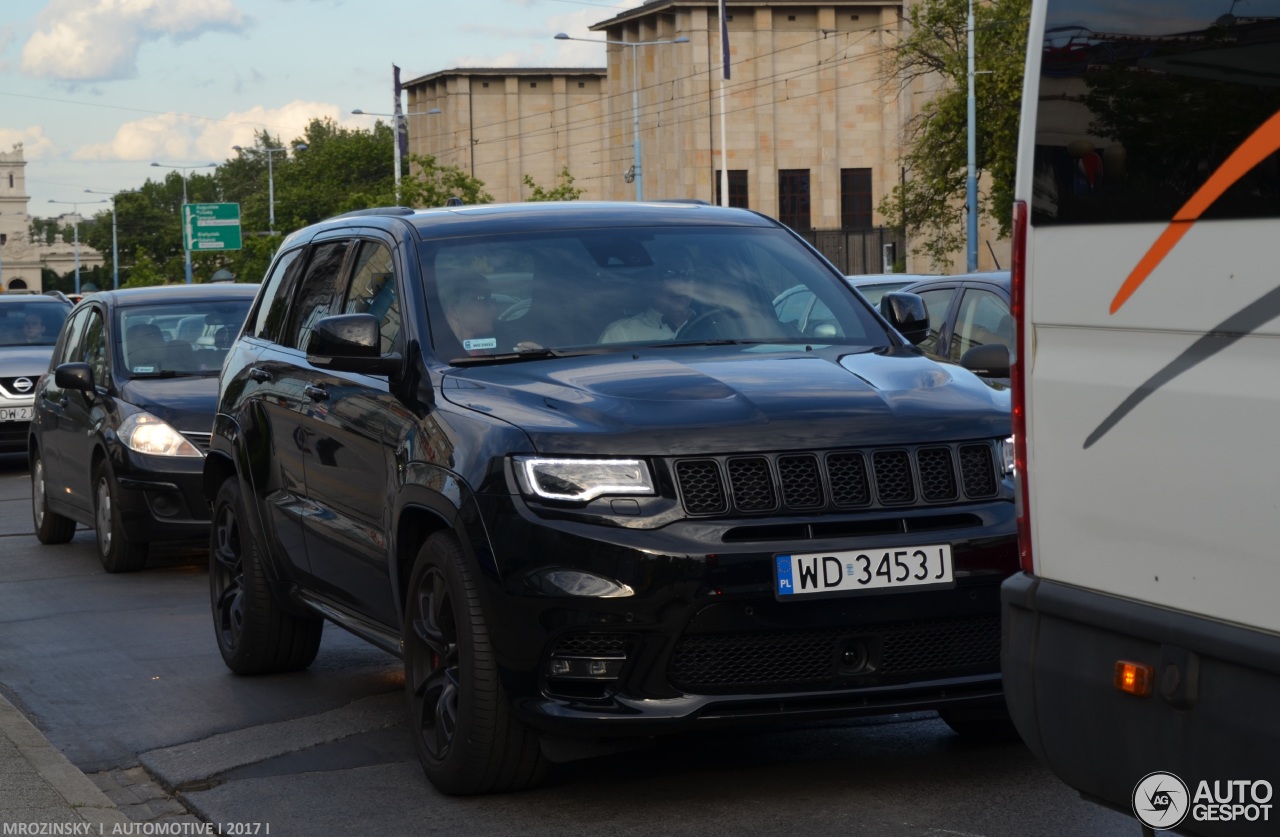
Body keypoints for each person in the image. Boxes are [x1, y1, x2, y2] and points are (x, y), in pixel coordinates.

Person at [598, 274, 695, 344]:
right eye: (669, 275)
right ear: (650, 286)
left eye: (687, 276)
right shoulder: (621, 334)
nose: (680, 285)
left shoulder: (709, 328)